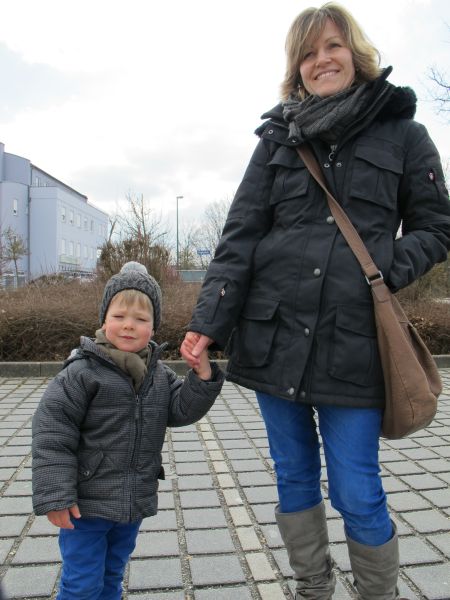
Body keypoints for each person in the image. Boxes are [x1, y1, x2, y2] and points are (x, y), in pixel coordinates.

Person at [181, 3, 450, 599]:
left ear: (356, 53)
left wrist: (383, 269)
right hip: (272, 336)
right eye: (307, 53)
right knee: (293, 477)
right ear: (296, 68)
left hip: (354, 344)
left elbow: (436, 227)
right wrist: (209, 322)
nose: (320, 60)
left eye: (332, 46)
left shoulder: (405, 135)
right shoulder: (276, 140)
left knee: (356, 488)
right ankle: (312, 588)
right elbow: (239, 237)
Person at [32, 261, 224, 600]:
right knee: (82, 584)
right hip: (85, 505)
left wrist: (202, 374)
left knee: (112, 574)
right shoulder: (82, 372)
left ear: (154, 326)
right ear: (104, 319)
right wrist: (56, 495)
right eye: (119, 316)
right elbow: (52, 432)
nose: (129, 325)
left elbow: (182, 409)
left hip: (132, 501)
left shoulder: (157, 374)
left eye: (141, 319)